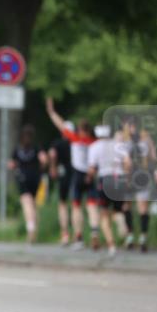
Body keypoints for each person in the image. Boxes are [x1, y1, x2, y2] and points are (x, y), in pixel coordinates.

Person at [46, 98, 96, 249]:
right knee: (92, 206)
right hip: (91, 175)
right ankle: (94, 232)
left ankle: (78, 237)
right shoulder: (93, 141)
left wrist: (51, 112)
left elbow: (60, 125)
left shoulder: (74, 138)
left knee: (76, 207)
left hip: (77, 175)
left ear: (79, 130)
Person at [118, 114, 157, 253]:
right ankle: (139, 237)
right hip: (138, 176)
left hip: (132, 176)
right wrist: (156, 172)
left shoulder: (124, 139)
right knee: (137, 207)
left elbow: (125, 161)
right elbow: (154, 158)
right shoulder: (145, 137)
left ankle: (134, 237)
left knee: (131, 206)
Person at [87, 125, 129, 257]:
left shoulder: (94, 147)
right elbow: (127, 162)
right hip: (119, 178)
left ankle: (111, 245)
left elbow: (92, 168)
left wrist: (89, 177)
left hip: (104, 179)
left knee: (104, 214)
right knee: (118, 210)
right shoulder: (118, 145)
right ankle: (123, 230)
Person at [8, 124, 48, 244]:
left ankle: (30, 230)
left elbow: (11, 164)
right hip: (36, 177)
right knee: (34, 205)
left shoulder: (17, 149)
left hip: (22, 178)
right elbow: (44, 160)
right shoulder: (36, 147)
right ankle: (34, 231)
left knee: (27, 205)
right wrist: (42, 168)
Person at [48, 122, 74, 245]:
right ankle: (77, 234)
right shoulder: (77, 142)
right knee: (76, 205)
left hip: (63, 174)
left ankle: (65, 234)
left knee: (62, 204)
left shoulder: (58, 143)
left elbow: (52, 154)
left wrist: (52, 168)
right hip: (76, 174)